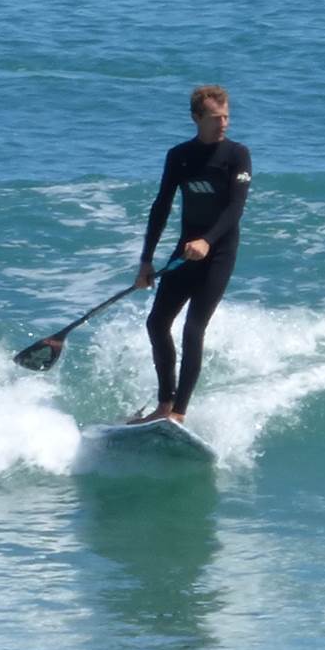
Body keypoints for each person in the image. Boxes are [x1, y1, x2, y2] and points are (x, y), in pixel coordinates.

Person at [131, 85, 252, 424]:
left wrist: (208, 241)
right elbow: (161, 207)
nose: (224, 123)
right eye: (216, 118)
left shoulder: (237, 155)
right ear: (196, 118)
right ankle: (164, 405)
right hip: (186, 252)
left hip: (219, 254)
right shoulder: (179, 156)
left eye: (226, 116)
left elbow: (235, 208)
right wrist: (146, 261)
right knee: (157, 323)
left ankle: (179, 413)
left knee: (193, 329)